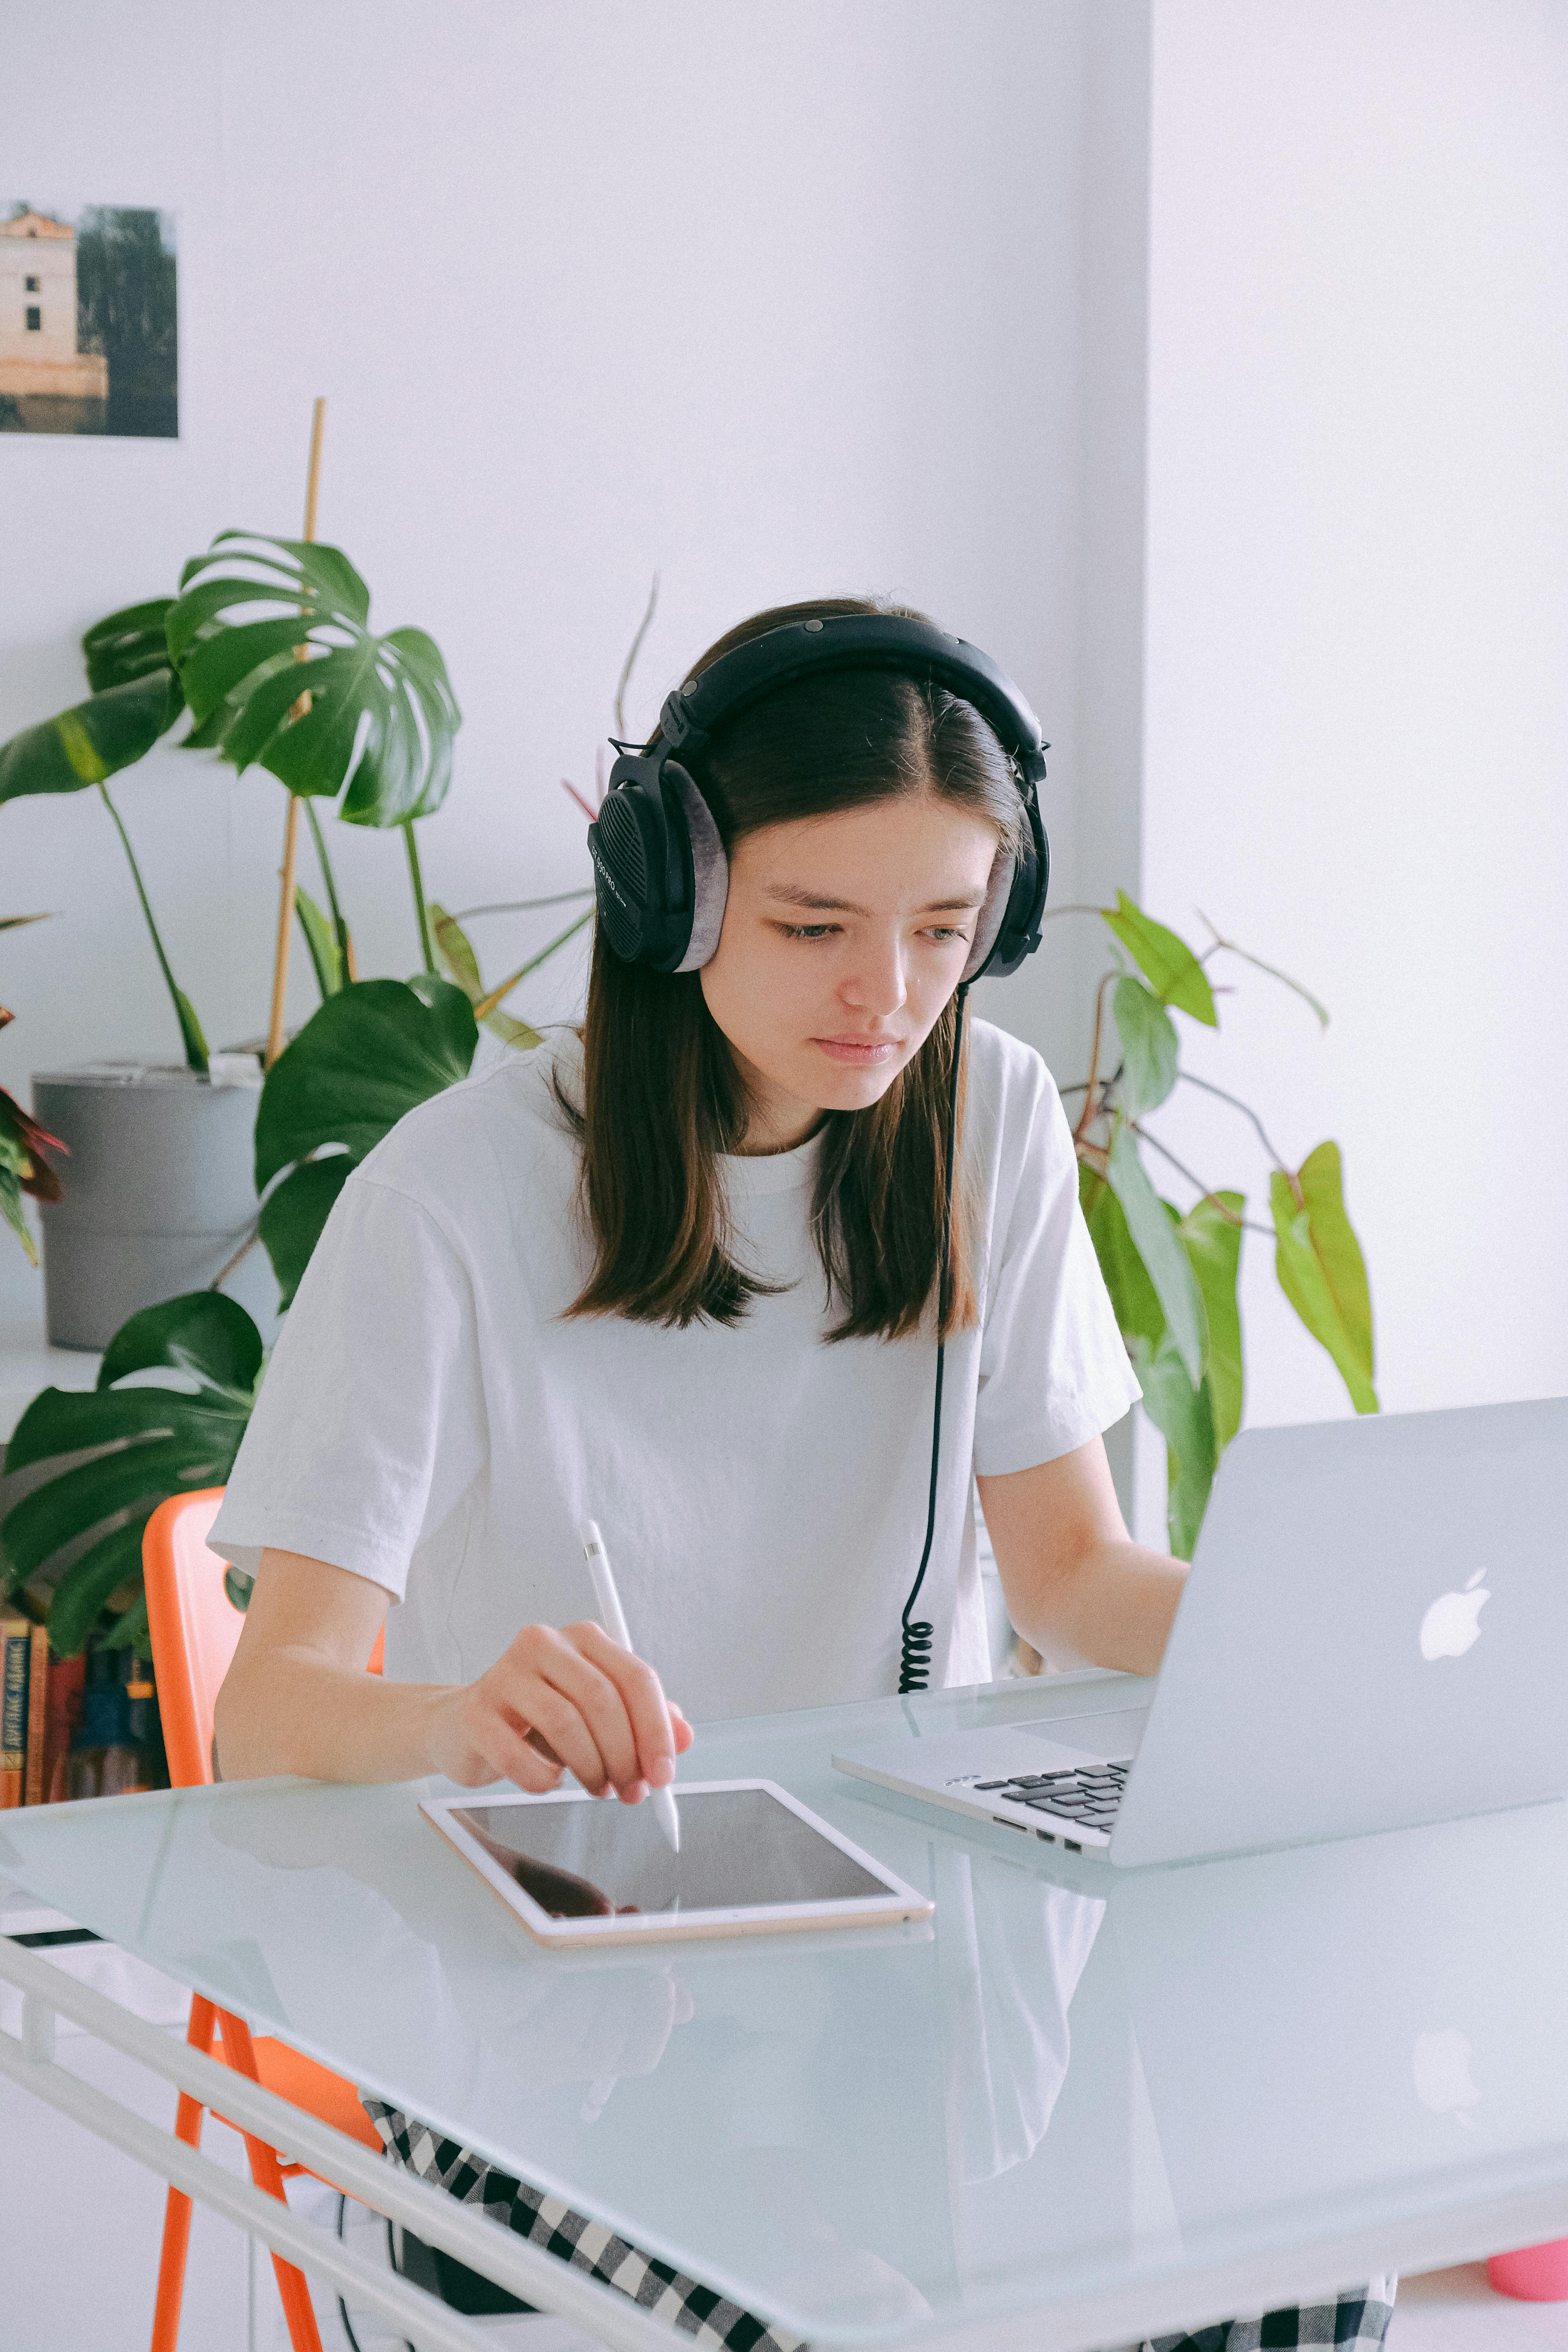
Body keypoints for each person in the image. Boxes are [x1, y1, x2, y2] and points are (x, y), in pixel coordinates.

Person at [211, 598, 1394, 2352]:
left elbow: (1068, 1574)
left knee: (1310, 2268)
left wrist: (1318, 1651)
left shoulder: (982, 1120)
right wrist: (458, 1719)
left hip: (914, 1996)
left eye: (941, 928)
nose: (886, 995)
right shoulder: (445, 1197)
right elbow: (270, 1713)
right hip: (565, 2033)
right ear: (669, 894)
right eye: (816, 924)